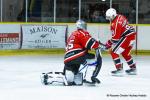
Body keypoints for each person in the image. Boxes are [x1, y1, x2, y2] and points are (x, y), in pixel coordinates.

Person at [63, 19, 102, 85]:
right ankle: (88, 78)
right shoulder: (82, 33)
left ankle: (69, 76)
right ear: (83, 26)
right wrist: (98, 44)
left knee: (70, 79)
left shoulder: (73, 34)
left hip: (67, 58)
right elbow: (90, 44)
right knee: (94, 59)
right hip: (77, 56)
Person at [104, 8, 137, 75]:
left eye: (109, 17)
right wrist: (110, 42)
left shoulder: (115, 23)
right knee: (125, 53)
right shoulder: (120, 16)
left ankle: (119, 69)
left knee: (113, 52)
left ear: (113, 15)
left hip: (127, 37)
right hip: (132, 36)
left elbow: (115, 39)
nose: (109, 19)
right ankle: (133, 68)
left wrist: (108, 43)